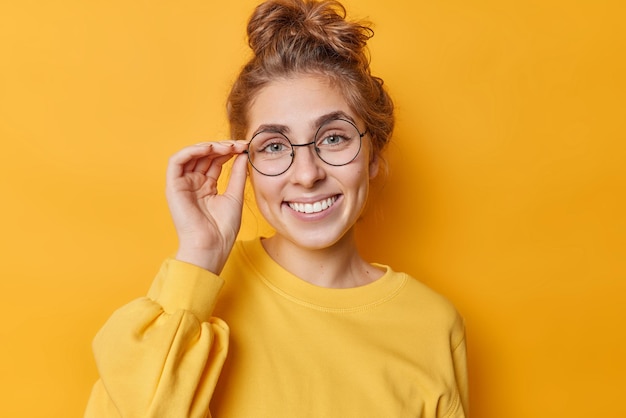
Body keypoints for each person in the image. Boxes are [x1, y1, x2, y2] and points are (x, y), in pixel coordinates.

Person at [85, 0, 469, 416]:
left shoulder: (431, 325)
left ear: (372, 154)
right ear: (245, 165)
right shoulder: (189, 298)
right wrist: (198, 254)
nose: (306, 174)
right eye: (274, 146)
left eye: (334, 138)